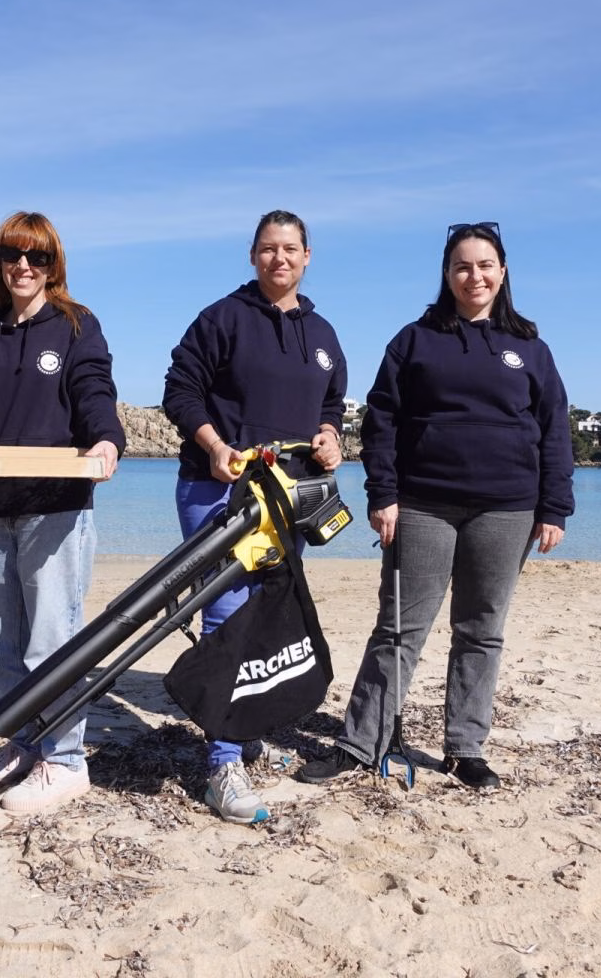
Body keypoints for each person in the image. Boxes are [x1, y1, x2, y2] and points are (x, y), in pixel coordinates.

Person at [294, 221, 574, 790]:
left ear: (503, 272)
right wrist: (384, 495)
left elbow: (553, 431)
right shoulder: (415, 340)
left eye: (485, 265)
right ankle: (359, 743)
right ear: (447, 275)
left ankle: (464, 749)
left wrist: (555, 507)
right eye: (462, 266)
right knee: (399, 629)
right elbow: (382, 423)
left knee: (481, 630)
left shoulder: (530, 348)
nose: (475, 275)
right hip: (422, 505)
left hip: (507, 509)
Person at [162, 210, 346, 824]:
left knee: (270, 612)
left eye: (290, 249)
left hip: (288, 496)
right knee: (225, 613)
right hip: (219, 489)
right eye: (268, 249)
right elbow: (179, 390)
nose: (280, 259)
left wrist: (330, 438)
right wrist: (215, 446)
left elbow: (329, 408)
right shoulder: (223, 318)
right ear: (252, 255)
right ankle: (221, 763)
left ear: (308, 255)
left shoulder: (321, 334)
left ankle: (245, 731)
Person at [0, 212, 124, 814]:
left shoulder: (76, 327)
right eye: (12, 254)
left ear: (55, 264)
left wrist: (106, 440)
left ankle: (67, 758)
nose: (24, 267)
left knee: (52, 637)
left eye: (38, 256)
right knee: (2, 638)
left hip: (55, 505)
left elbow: (94, 390)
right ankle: (23, 744)